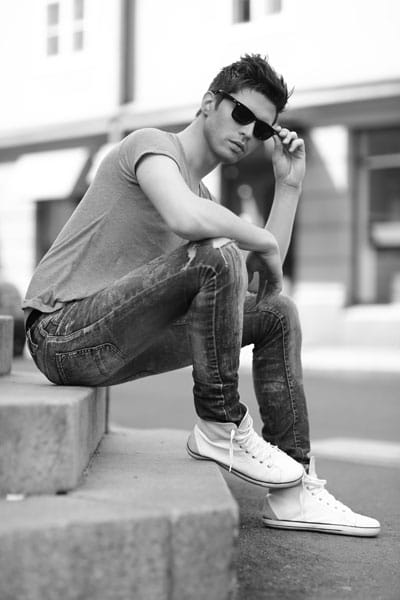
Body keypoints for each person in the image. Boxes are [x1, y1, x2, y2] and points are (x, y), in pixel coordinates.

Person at [23, 54, 380, 536]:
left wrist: (288, 186)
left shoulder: (207, 203)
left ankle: (295, 491)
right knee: (218, 251)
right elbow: (184, 217)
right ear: (210, 102)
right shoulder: (151, 146)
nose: (248, 132)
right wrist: (253, 239)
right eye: (241, 114)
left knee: (276, 313)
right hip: (59, 335)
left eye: (261, 129)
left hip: (118, 338)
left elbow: (255, 285)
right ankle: (220, 423)